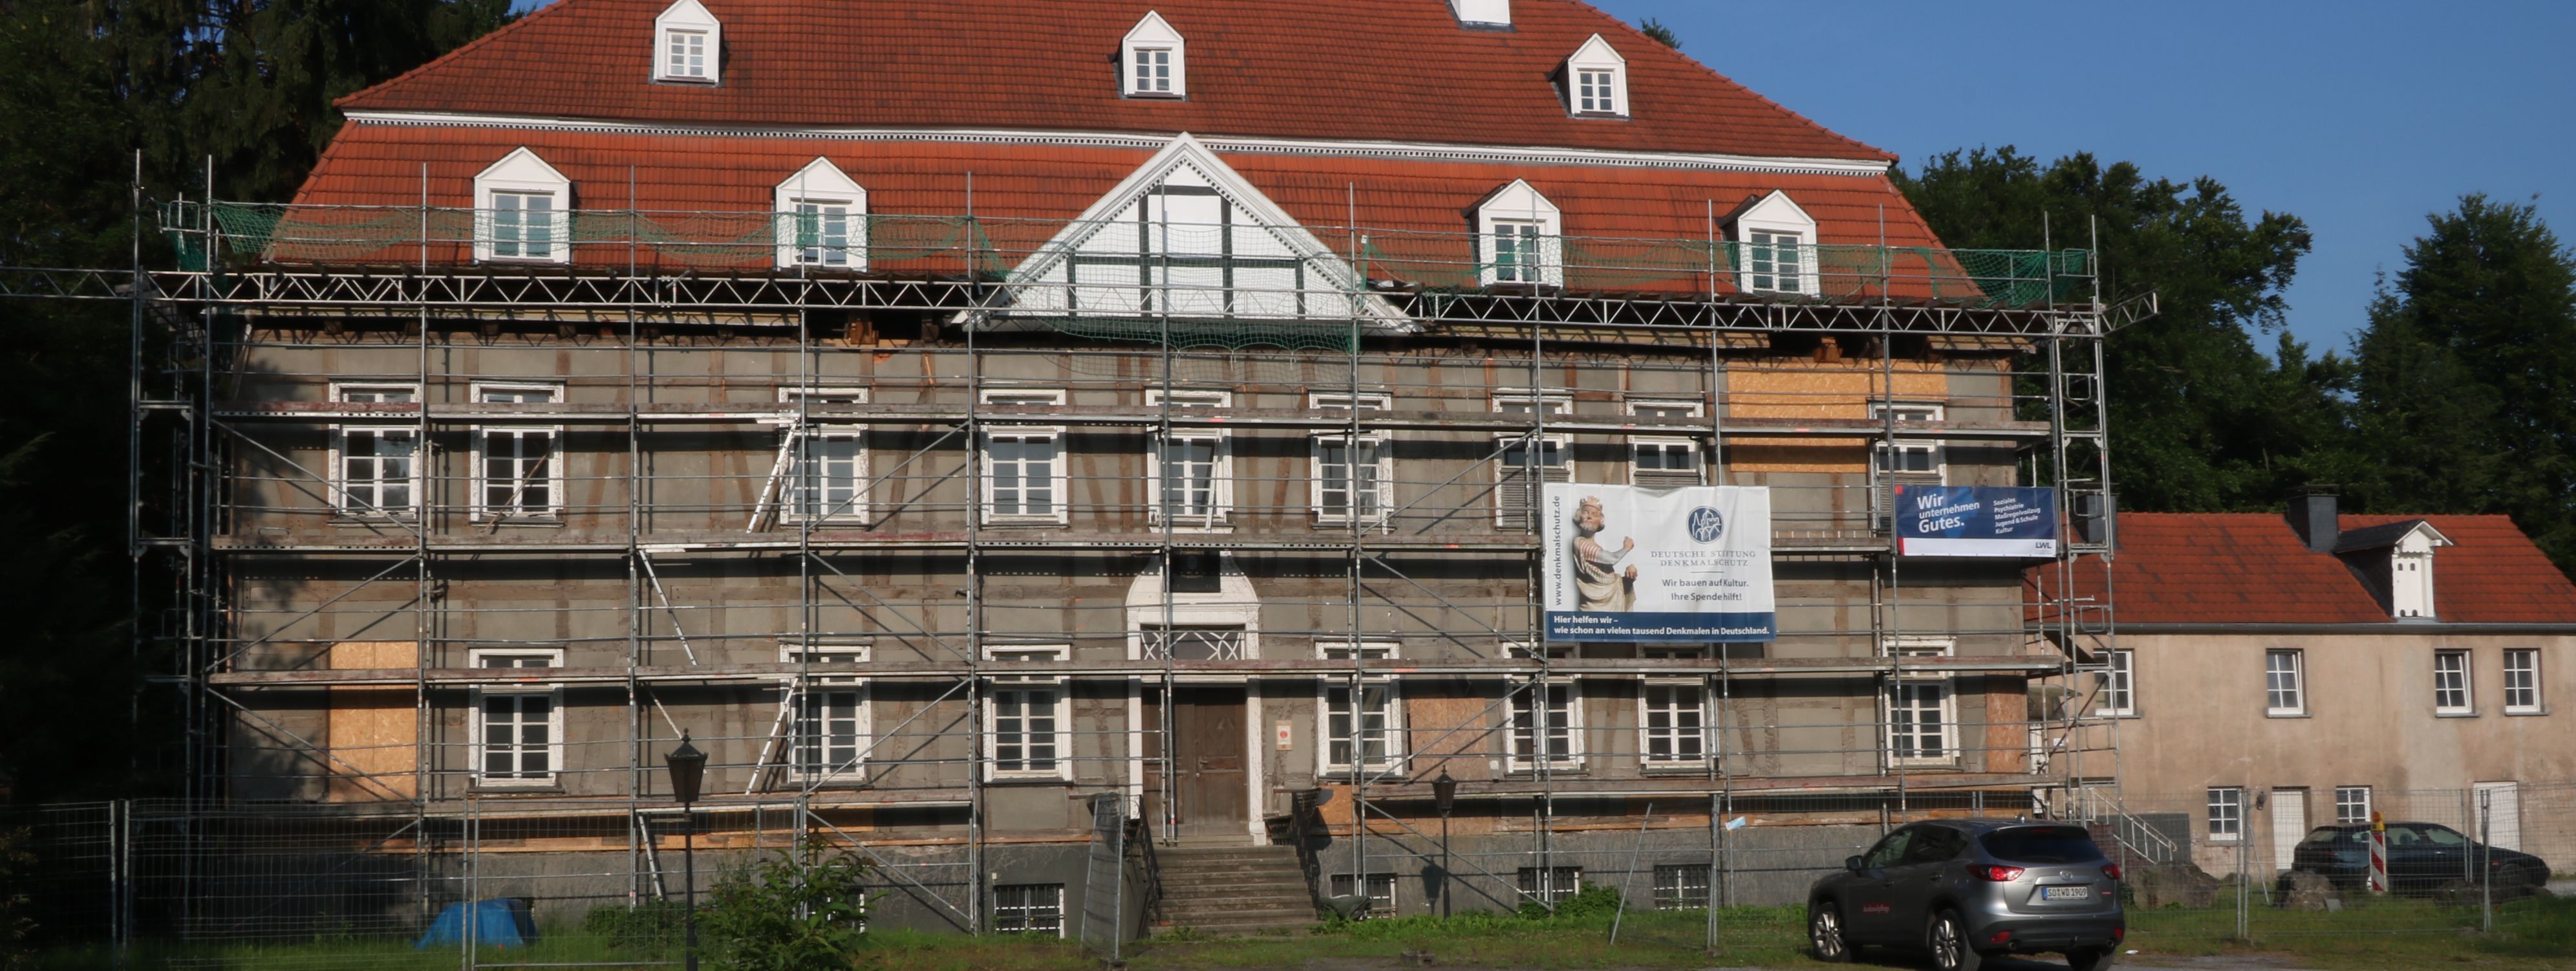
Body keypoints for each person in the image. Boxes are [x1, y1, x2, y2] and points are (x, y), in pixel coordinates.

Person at [1570, 496, 1638, 611]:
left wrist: (1629, 578)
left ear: (1600, 520)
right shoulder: (1580, 543)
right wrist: (1626, 548)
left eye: (1594, 514)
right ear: (1579, 516)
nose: (1590, 517)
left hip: (1612, 599)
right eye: (1586, 513)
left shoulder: (1596, 546)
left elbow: (1610, 580)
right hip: (1593, 607)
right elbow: (1610, 559)